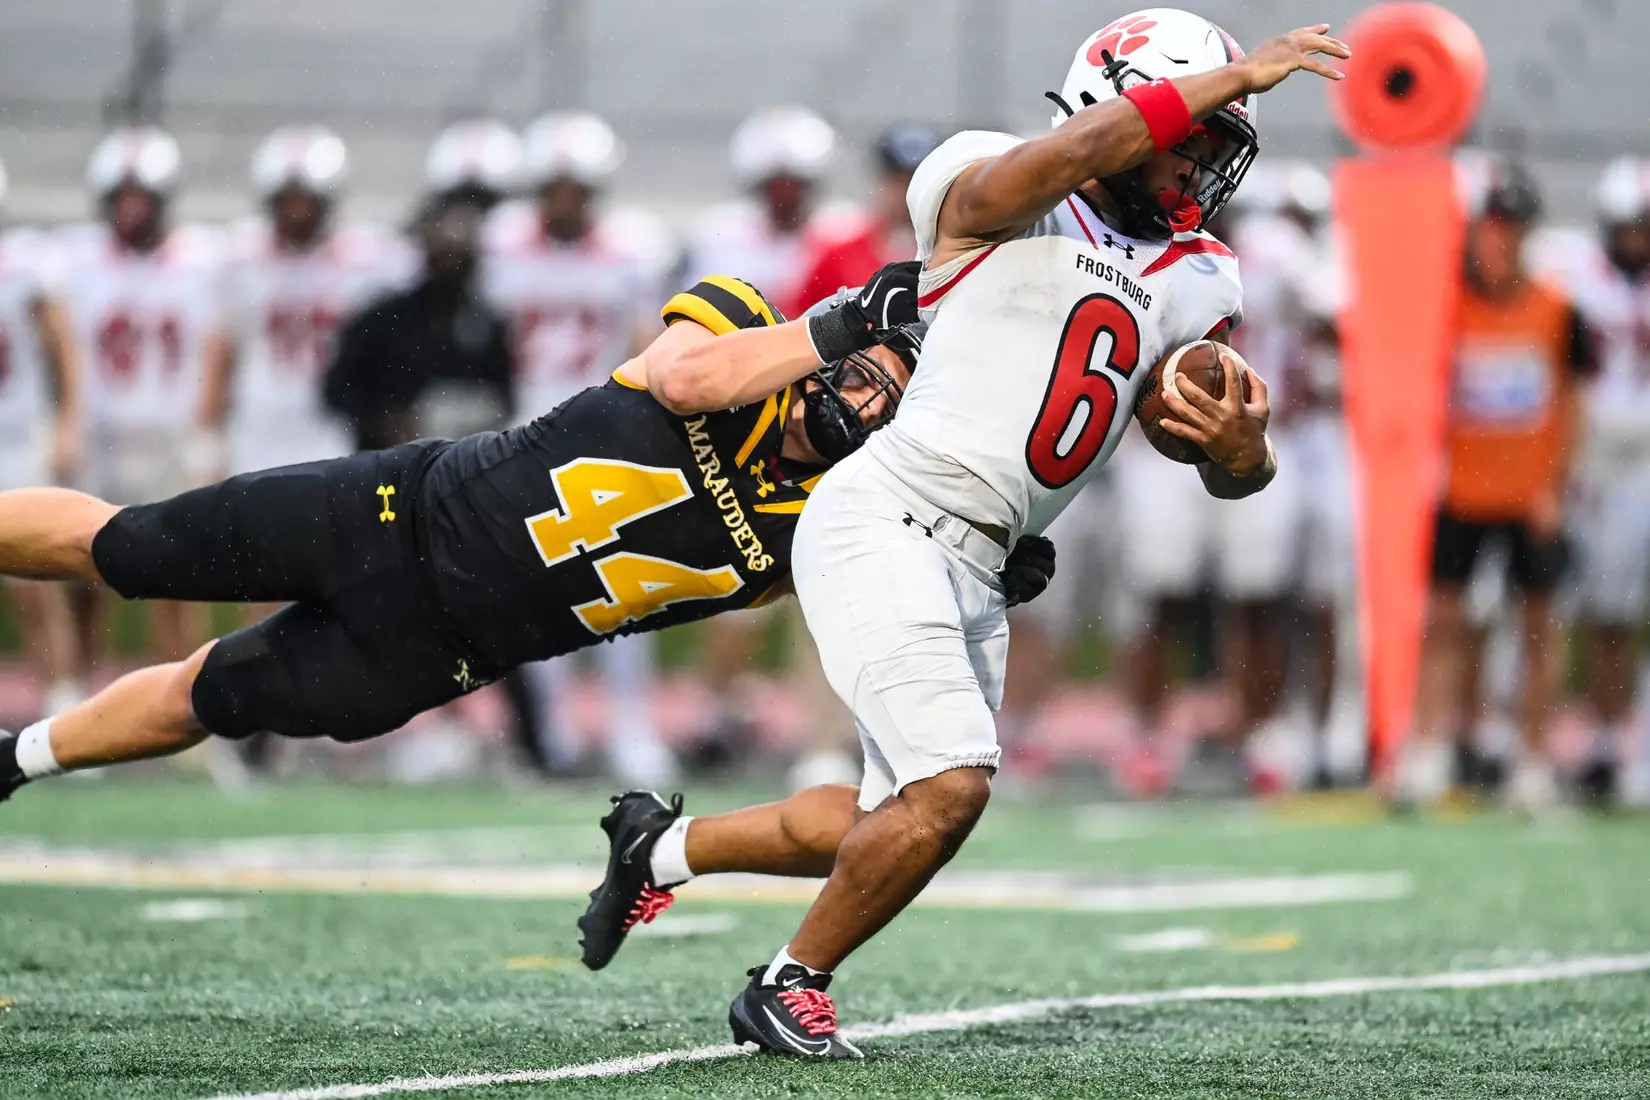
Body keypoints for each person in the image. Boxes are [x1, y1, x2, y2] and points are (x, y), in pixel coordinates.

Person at [579, 12, 1347, 1059]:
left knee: (877, 818)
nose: (1204, 160)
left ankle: (660, 846)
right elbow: (1068, 159)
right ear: (1112, 100)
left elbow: (1201, 449)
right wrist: (1231, 77)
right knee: (951, 786)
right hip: (887, 512)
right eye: (1195, 130)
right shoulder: (991, 177)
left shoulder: (1205, 271)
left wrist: (1241, 450)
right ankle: (788, 984)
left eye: (1220, 141)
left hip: (987, 562)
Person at [0, 263, 1032, 809]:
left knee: (206, 696)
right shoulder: (742, 324)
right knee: (128, 549)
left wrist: (972, 555)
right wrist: (840, 326)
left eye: (888, 401)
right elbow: (683, 379)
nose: (862, 399)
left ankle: (16, 757)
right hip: (390, 515)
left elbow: (880, 592)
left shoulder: (822, 520)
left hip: (430, 652)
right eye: (863, 369)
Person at [483, 111, 674, 785]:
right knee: (539, 589)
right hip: (524, 434)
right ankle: (553, 726)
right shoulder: (501, 246)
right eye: (555, 185)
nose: (566, 198)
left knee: (626, 585)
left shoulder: (629, 249)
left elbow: (644, 340)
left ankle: (630, 725)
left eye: (577, 186)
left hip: (601, 431)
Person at [1399, 159, 1596, 813]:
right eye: (1491, 225)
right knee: (1446, 621)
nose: (1499, 239)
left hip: (1528, 494)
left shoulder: (1556, 309)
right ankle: (1430, 747)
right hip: (1461, 489)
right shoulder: (1445, 305)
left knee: (1538, 628)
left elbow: (1571, 403)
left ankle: (1532, 757)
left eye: (1510, 226)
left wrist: (1556, 487)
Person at [682, 106, 857, 768]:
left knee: (815, 584)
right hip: (739, 427)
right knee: (735, 579)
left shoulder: (840, 240)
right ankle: (718, 712)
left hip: (819, 428)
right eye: (775, 180)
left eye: (795, 180)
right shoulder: (721, 239)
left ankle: (816, 735)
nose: (785, 192)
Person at [55, 126, 225, 668]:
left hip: (168, 439)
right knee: (82, 575)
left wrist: (203, 429)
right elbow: (61, 347)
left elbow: (217, 350)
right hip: (102, 438)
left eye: (141, 198)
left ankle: (186, 695)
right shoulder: (75, 259)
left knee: (176, 575)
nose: (130, 210)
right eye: (120, 198)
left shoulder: (202, 261)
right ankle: (81, 694)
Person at [1537, 158, 1650, 806]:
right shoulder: (1574, 273)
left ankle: (1615, 738)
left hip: (1640, 463)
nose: (1637, 238)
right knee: (1557, 605)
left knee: (1618, 611)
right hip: (1582, 461)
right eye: (1628, 227)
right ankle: (1547, 738)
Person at [0, 161, 86, 718]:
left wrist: (68, 421)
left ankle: (62, 701)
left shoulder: (23, 263)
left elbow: (62, 347)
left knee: (33, 581)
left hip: (13, 437)